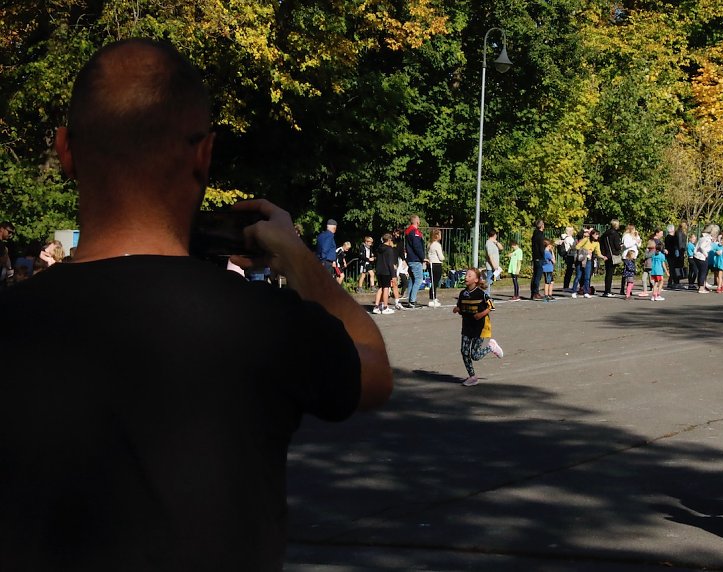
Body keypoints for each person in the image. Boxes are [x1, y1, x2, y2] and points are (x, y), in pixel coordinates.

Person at [0, 39, 392, 572]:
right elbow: (372, 366)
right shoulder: (265, 326)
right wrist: (297, 258)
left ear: (65, 149)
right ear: (204, 155)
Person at [453, 267, 503, 386]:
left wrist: (480, 314)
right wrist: (457, 309)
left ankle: (491, 347)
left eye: (469, 276)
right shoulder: (463, 293)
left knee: (474, 355)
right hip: (466, 326)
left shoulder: (481, 294)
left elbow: (491, 307)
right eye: (466, 275)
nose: (466, 277)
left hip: (479, 327)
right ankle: (472, 377)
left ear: (476, 280)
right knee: (464, 352)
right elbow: (462, 308)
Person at [404, 214, 426, 308]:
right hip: (415, 259)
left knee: (412, 280)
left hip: (410, 258)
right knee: (419, 279)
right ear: (417, 221)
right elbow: (417, 246)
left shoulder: (408, 231)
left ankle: (410, 299)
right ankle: (412, 301)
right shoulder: (415, 232)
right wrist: (422, 257)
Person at [372, 233, 397, 314]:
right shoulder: (389, 250)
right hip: (386, 271)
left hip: (379, 270)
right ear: (389, 240)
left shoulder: (379, 248)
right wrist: (393, 275)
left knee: (380, 288)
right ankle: (385, 307)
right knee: (386, 288)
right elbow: (390, 263)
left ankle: (376, 306)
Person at [600, 219, 622, 297]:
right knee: (610, 274)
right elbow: (617, 246)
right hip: (613, 255)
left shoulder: (605, 234)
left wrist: (603, 253)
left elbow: (601, 244)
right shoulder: (615, 234)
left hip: (606, 255)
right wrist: (620, 246)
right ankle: (607, 291)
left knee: (607, 273)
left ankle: (607, 290)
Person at [693, 225, 718, 293]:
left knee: (701, 272)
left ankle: (701, 286)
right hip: (701, 257)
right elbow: (702, 247)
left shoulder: (703, 237)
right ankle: (701, 287)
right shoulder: (707, 239)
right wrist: (705, 254)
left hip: (697, 256)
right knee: (703, 272)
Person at [427, 229, 444, 307]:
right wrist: (443, 258)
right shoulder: (437, 245)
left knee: (433, 281)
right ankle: (433, 298)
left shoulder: (429, 244)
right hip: (436, 264)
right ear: (436, 236)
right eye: (440, 234)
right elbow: (441, 257)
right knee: (435, 282)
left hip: (430, 264)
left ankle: (433, 297)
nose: (441, 236)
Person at [530, 219, 545, 299]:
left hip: (535, 256)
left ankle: (533, 292)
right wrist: (543, 256)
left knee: (535, 275)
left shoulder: (534, 234)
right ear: (541, 225)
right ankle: (536, 292)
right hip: (539, 257)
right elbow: (541, 247)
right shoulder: (540, 235)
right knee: (538, 276)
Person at [485, 229, 502, 297]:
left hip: (495, 265)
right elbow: (490, 256)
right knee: (488, 281)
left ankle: (486, 295)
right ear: (495, 235)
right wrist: (494, 266)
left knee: (491, 281)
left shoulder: (494, 242)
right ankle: (486, 296)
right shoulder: (488, 243)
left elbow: (501, 248)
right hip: (491, 266)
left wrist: (496, 242)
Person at [560, 226, 577, 291]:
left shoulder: (564, 237)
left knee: (568, 271)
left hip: (567, 255)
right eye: (572, 231)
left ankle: (566, 285)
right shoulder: (569, 238)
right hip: (571, 255)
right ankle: (566, 286)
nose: (573, 232)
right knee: (570, 271)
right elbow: (574, 246)